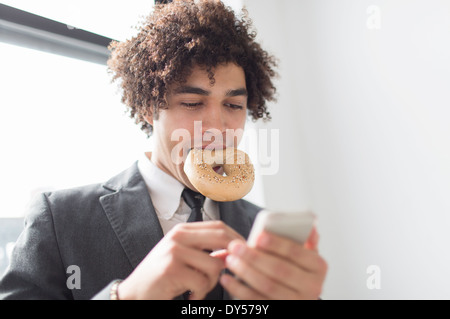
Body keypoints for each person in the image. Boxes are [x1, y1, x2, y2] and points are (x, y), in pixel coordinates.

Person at [0, 0, 327, 300]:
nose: (216, 127)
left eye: (233, 104)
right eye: (192, 102)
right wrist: (127, 296)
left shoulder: (259, 229)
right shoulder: (60, 218)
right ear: (148, 107)